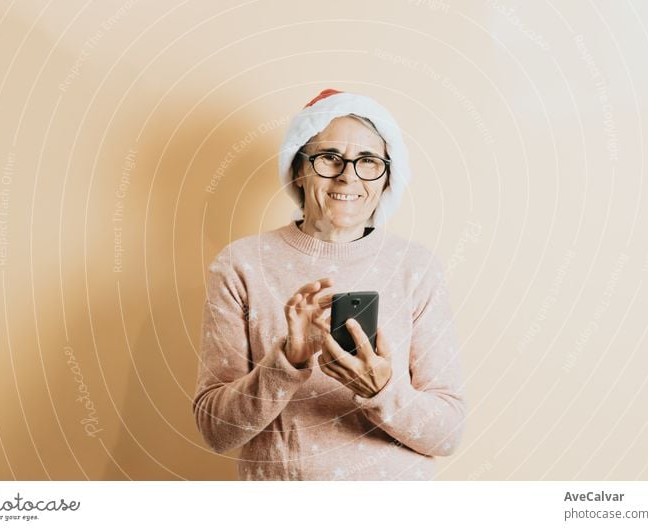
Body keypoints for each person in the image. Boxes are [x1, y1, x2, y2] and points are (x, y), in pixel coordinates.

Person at [193, 88, 466, 480]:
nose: (348, 175)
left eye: (368, 161)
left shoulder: (416, 268)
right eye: (330, 158)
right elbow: (216, 432)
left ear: (387, 177)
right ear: (299, 169)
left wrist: (383, 389)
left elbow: (448, 434)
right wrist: (287, 361)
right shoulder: (240, 265)